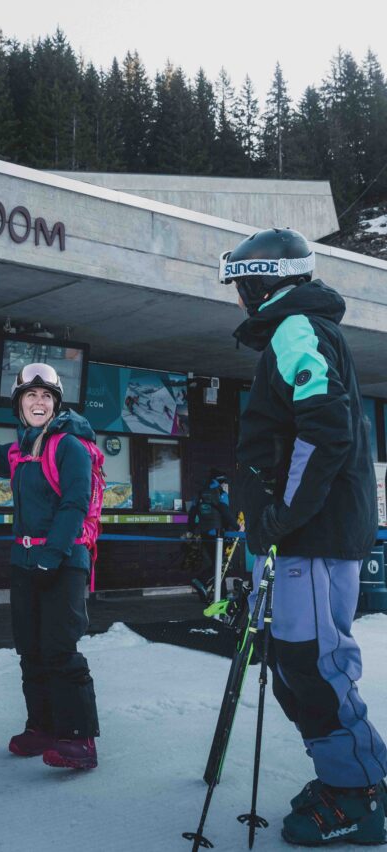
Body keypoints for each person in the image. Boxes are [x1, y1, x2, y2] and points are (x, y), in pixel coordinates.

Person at [221, 228, 387, 845]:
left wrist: (282, 516)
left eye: (239, 285)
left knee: (314, 664)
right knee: (297, 663)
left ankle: (358, 795)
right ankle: (352, 773)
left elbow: (325, 426)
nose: (237, 298)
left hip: (311, 536)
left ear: (261, 282)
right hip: (302, 537)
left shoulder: (297, 329)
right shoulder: (296, 330)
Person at [0, 363, 100, 770]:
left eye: (46, 396)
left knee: (60, 649)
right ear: (19, 405)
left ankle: (79, 738)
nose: (38, 401)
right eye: (31, 396)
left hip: (63, 561)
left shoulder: (69, 447)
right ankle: (41, 726)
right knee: (30, 650)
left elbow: (75, 504)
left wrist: (52, 556)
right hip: (24, 561)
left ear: (56, 404)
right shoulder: (17, 451)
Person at [186, 469, 239, 603]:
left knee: (218, 563)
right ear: (221, 482)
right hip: (218, 535)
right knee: (221, 565)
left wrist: (191, 530)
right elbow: (225, 512)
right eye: (224, 482)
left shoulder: (200, 493)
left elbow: (192, 513)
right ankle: (201, 580)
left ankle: (221, 594)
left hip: (205, 533)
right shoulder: (221, 494)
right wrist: (237, 527)